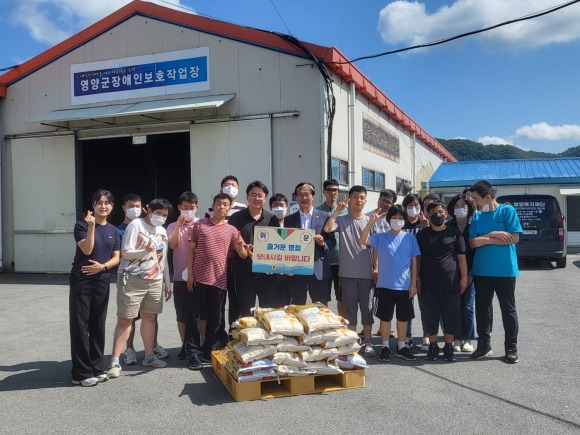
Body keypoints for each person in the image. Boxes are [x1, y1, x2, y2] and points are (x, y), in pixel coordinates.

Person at [108, 198, 173, 378]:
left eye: (165, 215)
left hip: (155, 280)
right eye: (158, 213)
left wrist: (167, 282)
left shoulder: (162, 230)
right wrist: (145, 250)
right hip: (132, 278)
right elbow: (126, 253)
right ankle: (114, 361)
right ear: (148, 210)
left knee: (150, 317)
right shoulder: (136, 225)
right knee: (125, 319)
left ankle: (149, 356)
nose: (161, 217)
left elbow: (163, 258)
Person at [185, 193, 249, 366]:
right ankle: (191, 352)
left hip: (219, 280)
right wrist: (190, 273)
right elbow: (191, 249)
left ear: (229, 208)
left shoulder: (232, 230)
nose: (222, 207)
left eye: (225, 204)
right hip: (198, 278)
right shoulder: (200, 225)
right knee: (194, 317)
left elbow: (243, 255)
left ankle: (209, 352)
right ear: (212, 205)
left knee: (215, 319)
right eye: (219, 203)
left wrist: (239, 247)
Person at [69, 189, 121, 386]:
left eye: (107, 202)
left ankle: (97, 367)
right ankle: (80, 373)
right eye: (99, 202)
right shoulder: (81, 225)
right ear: (93, 205)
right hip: (81, 280)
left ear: (112, 206)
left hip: (102, 280)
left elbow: (117, 257)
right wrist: (91, 227)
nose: (103, 206)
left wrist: (103, 267)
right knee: (80, 325)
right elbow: (87, 249)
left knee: (97, 324)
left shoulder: (113, 230)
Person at [468, 180, 522, 363]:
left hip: (505, 270)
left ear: (488, 197)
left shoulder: (508, 211)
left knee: (508, 310)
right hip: (481, 271)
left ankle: (511, 349)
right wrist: (495, 234)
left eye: (475, 198)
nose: (474, 202)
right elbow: (473, 242)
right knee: (483, 310)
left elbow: (514, 238)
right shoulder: (476, 217)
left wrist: (486, 239)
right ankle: (484, 346)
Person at [359, 204, 420, 362]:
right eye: (394, 218)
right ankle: (385, 346)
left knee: (403, 317)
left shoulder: (410, 237)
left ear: (405, 220)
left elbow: (414, 261)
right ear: (388, 219)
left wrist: (413, 283)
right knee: (385, 318)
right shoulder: (380, 237)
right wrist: (370, 222)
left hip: (405, 285)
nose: (397, 221)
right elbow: (362, 240)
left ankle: (401, 346)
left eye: (400, 218)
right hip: (384, 284)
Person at [323, 186, 375, 357]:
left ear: (365, 200)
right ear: (349, 199)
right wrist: (337, 210)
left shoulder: (370, 221)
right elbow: (328, 229)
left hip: (367, 274)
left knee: (367, 310)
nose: (358, 201)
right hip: (346, 274)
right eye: (355, 197)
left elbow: (376, 249)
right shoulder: (343, 220)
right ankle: (352, 341)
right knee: (350, 311)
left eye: (361, 197)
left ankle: (368, 342)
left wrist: (376, 268)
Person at [416, 200, 468, 362]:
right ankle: (432, 346)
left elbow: (461, 258)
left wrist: (464, 279)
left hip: (451, 283)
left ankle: (448, 346)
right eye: (432, 212)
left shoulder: (454, 233)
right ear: (427, 215)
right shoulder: (422, 234)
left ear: (446, 213)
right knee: (430, 316)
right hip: (427, 284)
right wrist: (416, 278)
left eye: (440, 211)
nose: (437, 215)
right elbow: (417, 259)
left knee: (450, 316)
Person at [228, 180, 280, 316]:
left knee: (269, 313)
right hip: (244, 274)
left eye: (260, 195)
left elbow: (278, 245)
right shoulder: (236, 218)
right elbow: (230, 244)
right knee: (245, 313)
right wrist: (241, 248)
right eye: (253, 195)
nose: (256, 198)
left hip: (267, 275)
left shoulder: (272, 218)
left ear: (265, 198)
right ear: (247, 196)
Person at [205, 175, 246, 343]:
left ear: (238, 189)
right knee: (218, 301)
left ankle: (234, 333)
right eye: (227, 185)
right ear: (221, 189)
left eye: (233, 185)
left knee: (236, 298)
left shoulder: (243, 208)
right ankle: (218, 335)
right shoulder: (211, 210)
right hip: (217, 262)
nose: (230, 187)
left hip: (237, 261)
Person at [284, 182, 335, 305]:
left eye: (306, 194)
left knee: (320, 306)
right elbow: (285, 245)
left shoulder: (324, 216)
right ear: (296, 197)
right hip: (296, 269)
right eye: (300, 195)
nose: (303, 198)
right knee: (297, 305)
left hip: (318, 269)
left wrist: (323, 243)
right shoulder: (289, 219)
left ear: (313, 196)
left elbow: (332, 241)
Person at [167, 191, 199, 360]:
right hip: (180, 276)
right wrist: (179, 226)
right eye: (185, 208)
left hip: (200, 276)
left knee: (198, 314)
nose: (188, 211)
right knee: (182, 314)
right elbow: (172, 245)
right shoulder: (172, 226)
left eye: (191, 208)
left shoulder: (202, 224)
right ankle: (184, 345)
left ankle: (197, 344)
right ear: (179, 208)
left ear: (197, 208)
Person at [447, 193, 477, 352]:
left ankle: (468, 339)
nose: (459, 209)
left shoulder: (475, 225)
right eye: (456, 206)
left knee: (467, 307)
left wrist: (470, 274)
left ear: (470, 208)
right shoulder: (448, 226)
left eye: (463, 206)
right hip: (452, 274)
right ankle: (456, 338)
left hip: (472, 272)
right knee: (454, 307)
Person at [316, 179, 347, 317]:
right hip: (323, 260)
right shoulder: (317, 211)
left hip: (342, 261)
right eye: (329, 190)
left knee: (342, 297)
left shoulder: (346, 211)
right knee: (322, 298)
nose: (332, 193)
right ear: (324, 192)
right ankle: (324, 326)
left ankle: (343, 327)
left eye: (335, 190)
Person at [270, 193, 292, 306]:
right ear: (270, 208)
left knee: (286, 307)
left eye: (281, 205)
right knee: (271, 307)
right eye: (275, 205)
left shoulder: (293, 224)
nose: (278, 208)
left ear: (286, 207)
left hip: (289, 275)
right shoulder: (266, 225)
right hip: (270, 275)